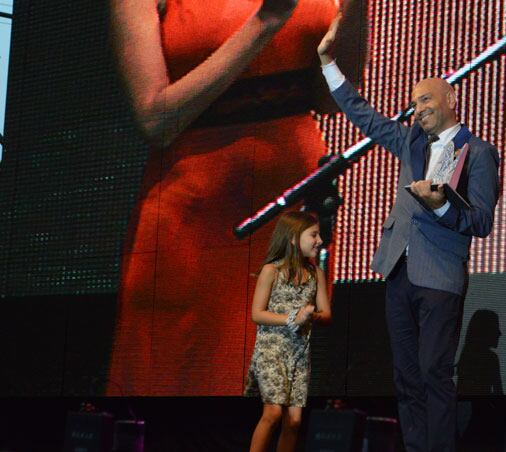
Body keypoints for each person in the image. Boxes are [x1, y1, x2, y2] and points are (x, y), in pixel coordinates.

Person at [106, 0, 345, 395]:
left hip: (290, 204)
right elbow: (154, 119)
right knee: (179, 377)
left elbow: (330, 98)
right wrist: (266, 22)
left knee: (271, 382)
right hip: (195, 215)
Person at [317, 14, 500, 452]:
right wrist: (328, 63)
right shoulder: (410, 142)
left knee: (434, 373)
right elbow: (362, 115)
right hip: (398, 270)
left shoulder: (478, 152)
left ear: (451, 98)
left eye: (426, 100)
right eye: (415, 103)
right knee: (405, 376)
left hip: (439, 276)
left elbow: (482, 221)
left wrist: (440, 208)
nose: (418, 109)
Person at [245, 211, 331, 452]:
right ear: (293, 238)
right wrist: (292, 318)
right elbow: (257, 314)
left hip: (299, 356)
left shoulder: (316, 274)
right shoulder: (271, 271)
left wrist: (310, 316)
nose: (319, 240)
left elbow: (326, 315)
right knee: (272, 413)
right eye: (313, 235)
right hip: (271, 351)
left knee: (293, 421)